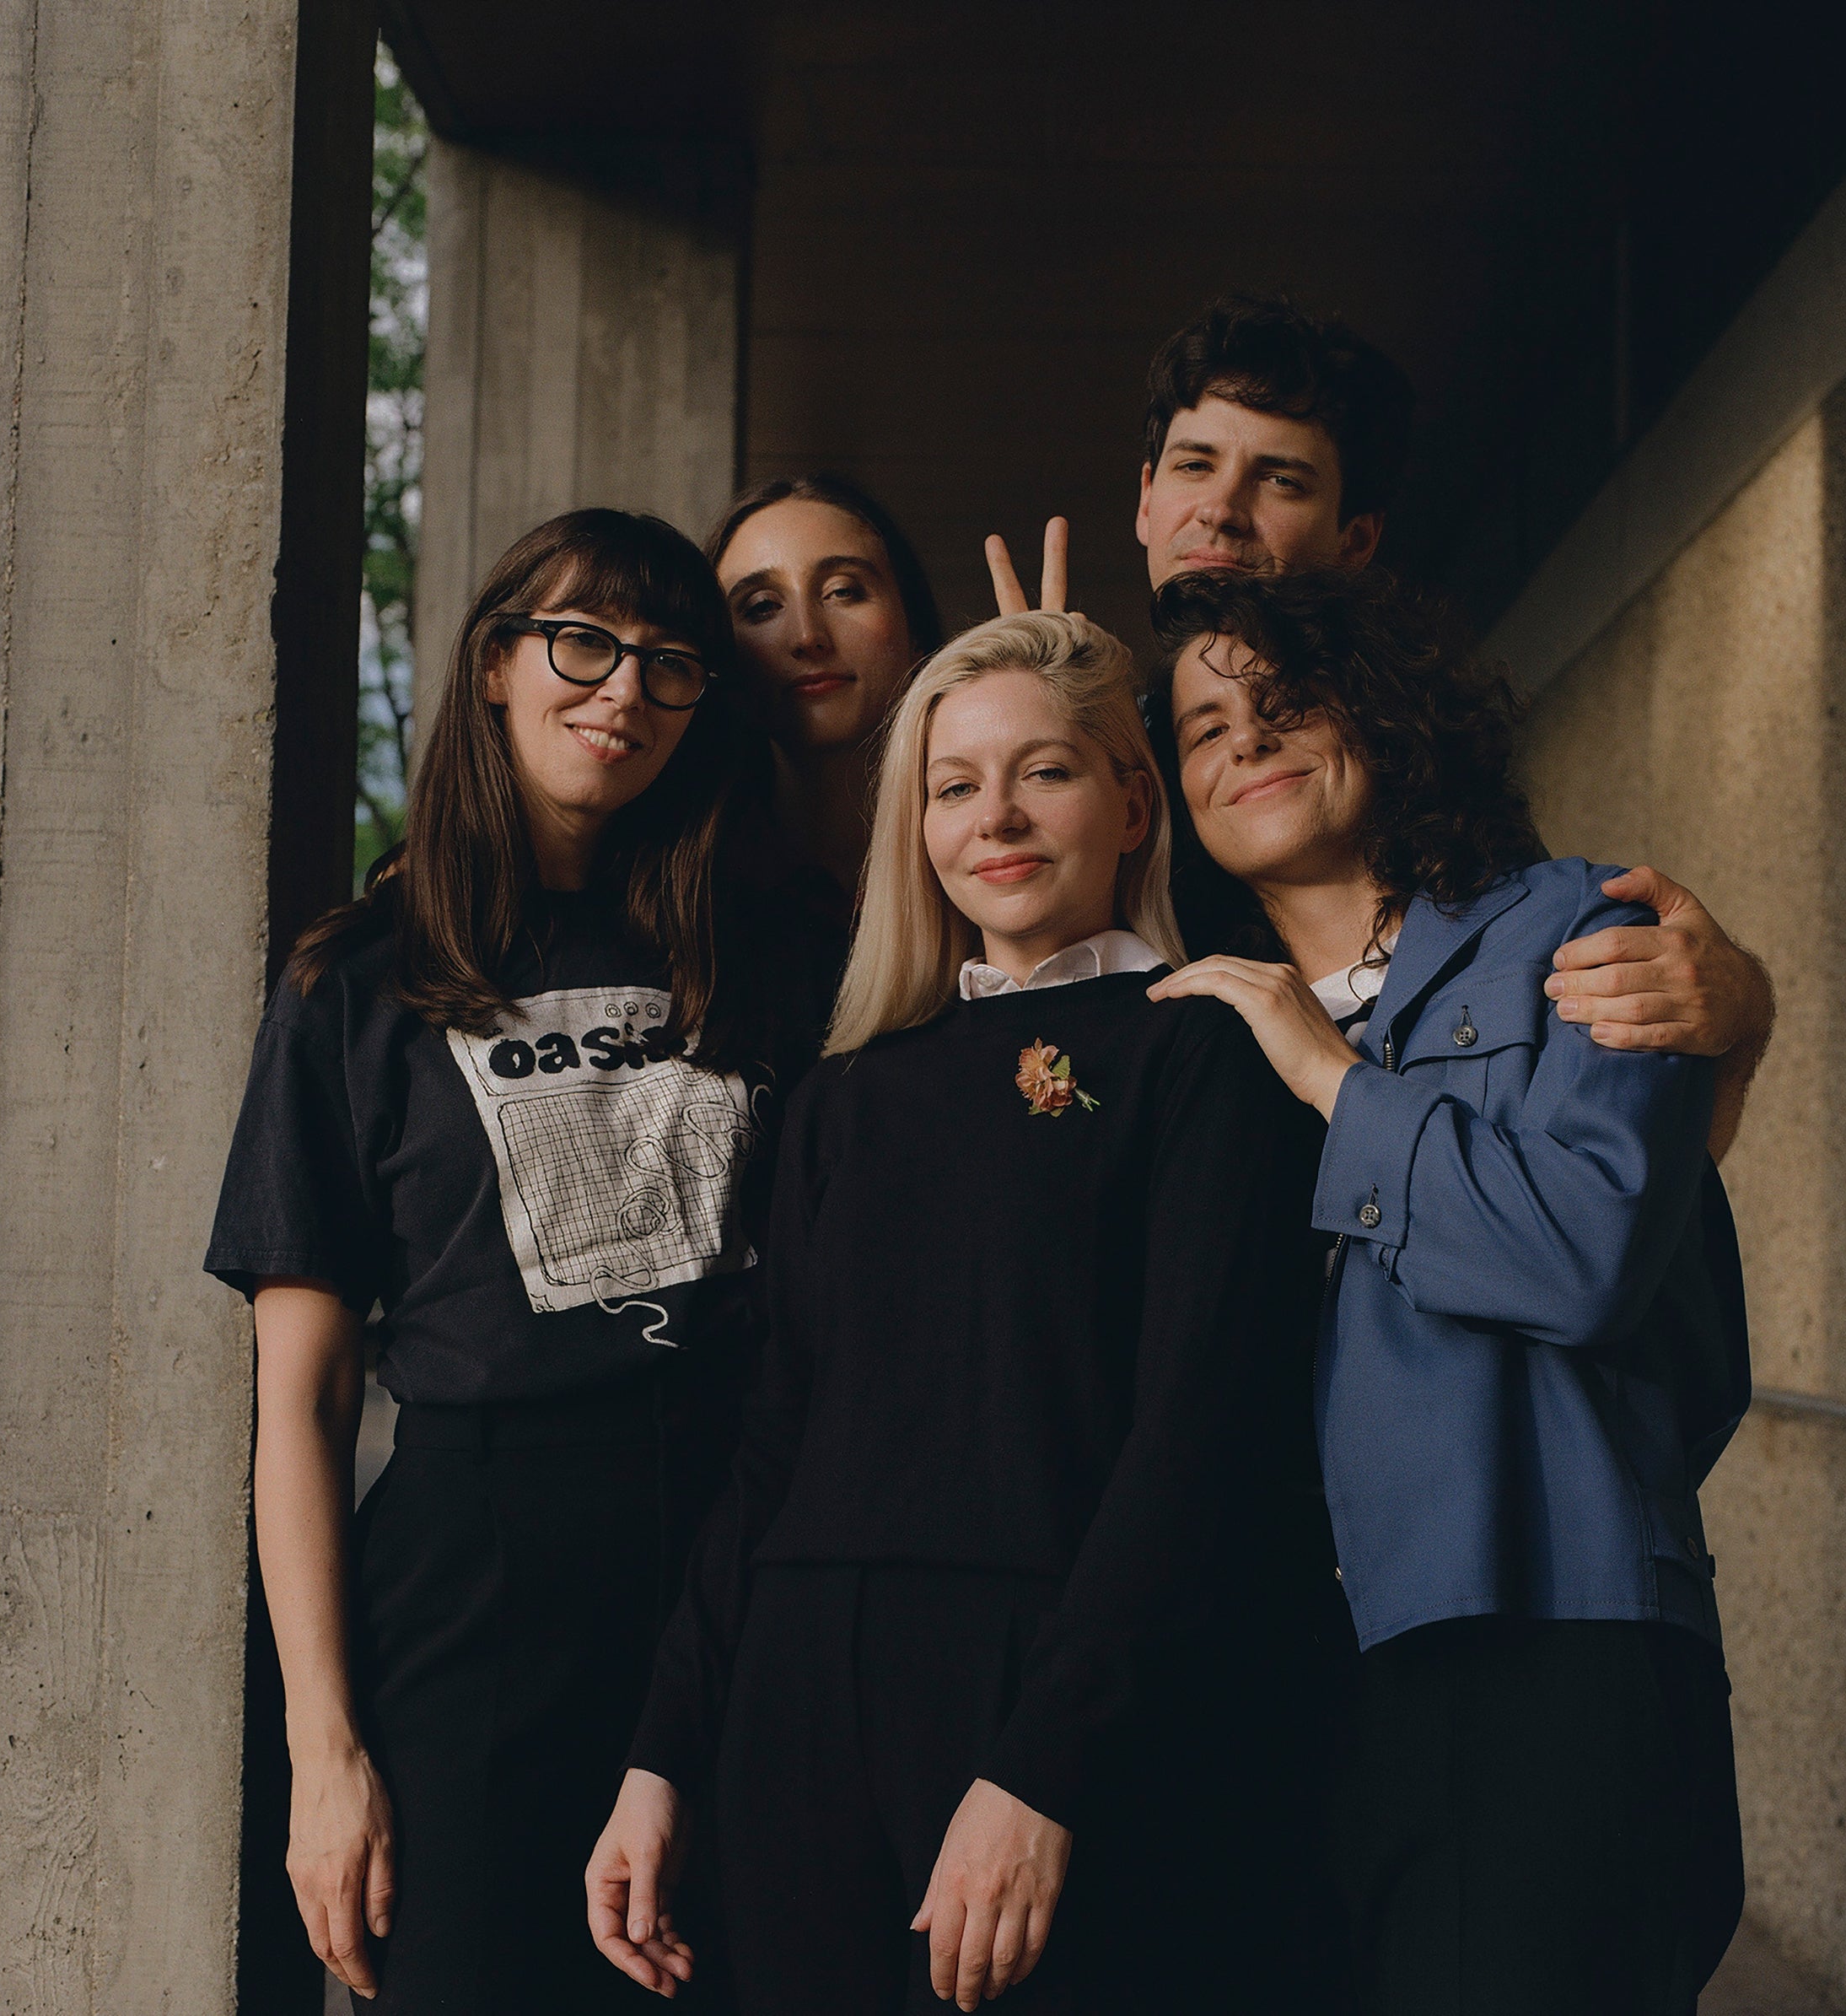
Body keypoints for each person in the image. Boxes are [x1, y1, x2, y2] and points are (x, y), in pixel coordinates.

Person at [586, 610, 1325, 2012]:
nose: (994, 815)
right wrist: (663, 1750)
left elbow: (1195, 1442)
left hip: (1045, 1693)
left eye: (1043, 771)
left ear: (1133, 799)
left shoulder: (1199, 1053)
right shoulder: (842, 1093)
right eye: (950, 783)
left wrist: (1046, 1762)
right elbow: (772, 1450)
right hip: (796, 1712)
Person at [206, 509, 832, 2011]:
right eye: (584, 642)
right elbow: (298, 1403)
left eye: (671, 664)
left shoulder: (778, 951)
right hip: (473, 1581)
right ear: (496, 665)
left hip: (734, 1558)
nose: (622, 690)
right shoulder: (355, 979)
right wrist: (326, 1753)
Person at [1148, 565, 1747, 2014]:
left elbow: (1583, 1262)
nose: (1245, 738)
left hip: (1539, 1623)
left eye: (1286, 697)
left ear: (1386, 709)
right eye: (1202, 723)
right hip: (1267, 1660)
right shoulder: (1172, 1024)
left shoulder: (1575, 929)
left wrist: (1331, 1078)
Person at [990, 294, 1776, 1129]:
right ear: (1146, 497)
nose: (1220, 508)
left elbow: (1608, 1151)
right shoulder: (1085, 755)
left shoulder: (1405, 771)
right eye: (1193, 465)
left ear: (1354, 540)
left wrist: (1737, 1007)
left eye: (1278, 478)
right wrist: (1025, 727)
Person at [708, 472, 945, 896]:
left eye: (843, 592)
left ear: (915, 632)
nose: (807, 637)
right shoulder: (682, 883)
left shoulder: (987, 840)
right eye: (762, 607)